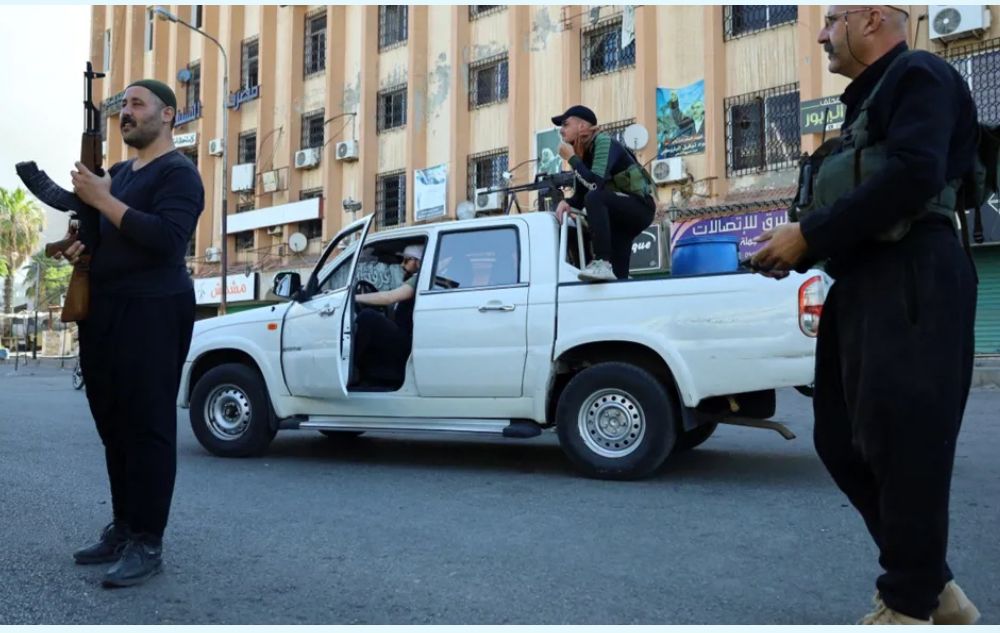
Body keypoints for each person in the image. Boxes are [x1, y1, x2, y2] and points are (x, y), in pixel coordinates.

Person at [751, 5, 980, 625]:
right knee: (839, 440)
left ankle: (907, 605)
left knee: (904, 444)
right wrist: (801, 245)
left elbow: (914, 172)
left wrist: (811, 233)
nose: (822, 35)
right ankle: (938, 589)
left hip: (915, 271)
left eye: (830, 21)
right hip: (859, 278)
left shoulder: (920, 75)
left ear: (871, 18)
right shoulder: (863, 104)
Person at [57, 79, 203, 588]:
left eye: (138, 105)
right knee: (113, 425)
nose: (127, 113)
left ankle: (147, 542)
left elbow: (166, 239)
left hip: (155, 310)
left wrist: (103, 197)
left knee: (148, 427)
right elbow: (103, 236)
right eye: (124, 106)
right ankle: (122, 528)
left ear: (168, 115)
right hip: (105, 310)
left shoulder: (181, 174)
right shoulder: (117, 172)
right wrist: (80, 244)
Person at [551, 105, 657, 282]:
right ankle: (613, 276)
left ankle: (601, 262)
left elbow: (595, 185)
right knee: (618, 277)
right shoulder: (582, 153)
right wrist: (567, 203)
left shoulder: (603, 142)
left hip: (640, 207)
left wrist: (572, 159)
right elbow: (581, 197)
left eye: (565, 124)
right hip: (619, 217)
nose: (561, 131)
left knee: (595, 197)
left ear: (582, 127)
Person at [351, 244, 423, 385]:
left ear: (419, 262)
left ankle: (352, 368)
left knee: (367, 317)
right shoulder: (416, 279)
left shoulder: (418, 278)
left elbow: (389, 297)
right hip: (404, 339)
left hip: (408, 342)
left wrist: (353, 298)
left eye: (406, 260)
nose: (402, 265)